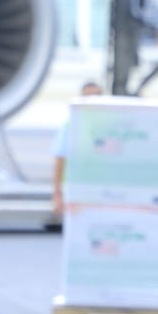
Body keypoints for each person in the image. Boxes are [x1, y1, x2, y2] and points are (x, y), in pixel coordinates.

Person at [51, 81, 104, 217]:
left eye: (96, 96)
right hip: (77, 192)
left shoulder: (110, 126)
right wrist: (57, 194)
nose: (92, 101)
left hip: (103, 192)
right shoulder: (70, 126)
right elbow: (60, 160)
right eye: (87, 97)